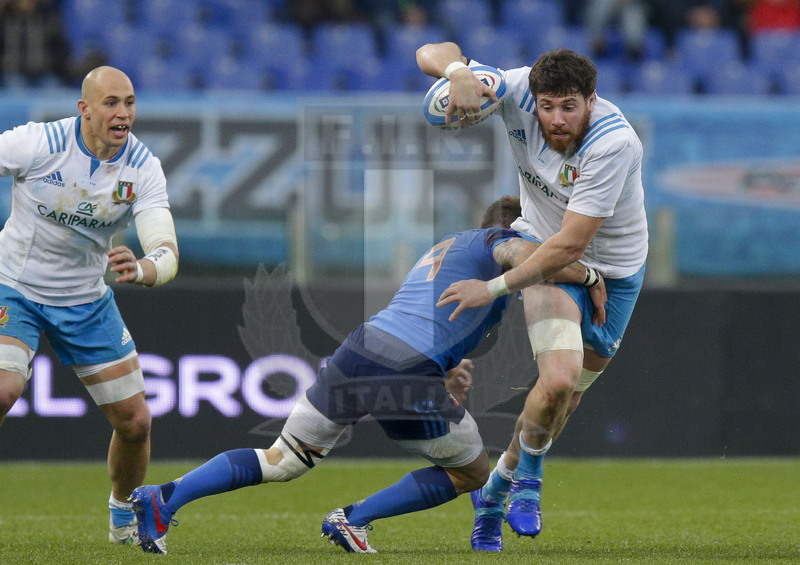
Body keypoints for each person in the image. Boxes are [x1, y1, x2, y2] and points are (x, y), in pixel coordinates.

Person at [129, 196, 606, 554]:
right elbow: (524, 259)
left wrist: (443, 370)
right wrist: (586, 276)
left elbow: (420, 317)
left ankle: (164, 499)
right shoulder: (498, 243)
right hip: (406, 368)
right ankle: (353, 520)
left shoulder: (448, 246)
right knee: (473, 470)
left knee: (284, 457)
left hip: (361, 350)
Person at [416, 45, 648, 551]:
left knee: (561, 402)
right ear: (534, 99)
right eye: (547, 107)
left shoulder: (614, 144)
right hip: (549, 262)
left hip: (615, 273)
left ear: (592, 101)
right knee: (558, 379)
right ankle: (529, 484)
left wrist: (493, 287)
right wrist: (458, 72)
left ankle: (494, 495)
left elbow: (574, 244)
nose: (557, 119)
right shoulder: (515, 89)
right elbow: (428, 51)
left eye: (570, 107)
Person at [0, 66, 179, 544]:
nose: (123, 113)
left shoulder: (142, 167)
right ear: (85, 108)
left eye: (130, 102)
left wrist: (144, 268)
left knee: (136, 422)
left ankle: (123, 515)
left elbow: (166, 250)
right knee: (3, 389)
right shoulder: (38, 143)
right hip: (14, 284)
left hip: (84, 300)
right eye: (111, 103)